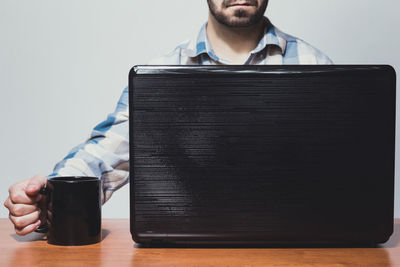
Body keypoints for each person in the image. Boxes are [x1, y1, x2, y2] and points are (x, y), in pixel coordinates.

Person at [4, 0, 332, 236]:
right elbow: (106, 154)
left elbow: (347, 169)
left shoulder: (315, 65)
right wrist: (51, 199)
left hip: (295, 249)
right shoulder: (160, 76)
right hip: (183, 255)